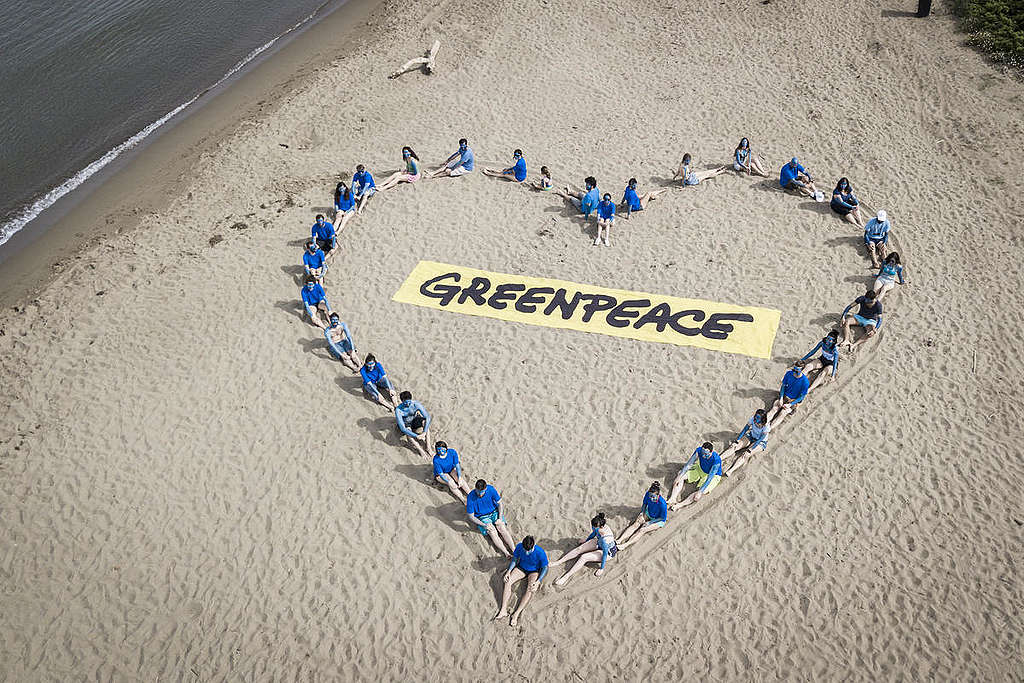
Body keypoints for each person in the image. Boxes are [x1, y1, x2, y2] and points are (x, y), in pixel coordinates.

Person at [493, 535, 549, 627]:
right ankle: (503, 610)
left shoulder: (540, 552)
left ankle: (516, 614)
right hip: (521, 568)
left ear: (533, 546)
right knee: (508, 581)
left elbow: (545, 567)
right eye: (525, 550)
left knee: (530, 589)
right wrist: (509, 571)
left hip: (534, 571)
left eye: (529, 550)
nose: (527, 553)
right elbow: (515, 559)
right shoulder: (519, 546)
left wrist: (539, 580)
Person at [551, 513, 618, 586]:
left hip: (608, 552)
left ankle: (566, 577)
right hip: (599, 542)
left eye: (594, 527)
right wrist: (586, 541)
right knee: (580, 548)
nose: (592, 528)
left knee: (584, 557)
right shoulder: (598, 527)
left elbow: (604, 554)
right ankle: (559, 562)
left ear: (601, 527)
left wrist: (601, 568)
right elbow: (593, 534)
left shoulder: (606, 539)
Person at [466, 479, 516, 557]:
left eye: (481, 492)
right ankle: (506, 553)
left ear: (485, 489)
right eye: (477, 492)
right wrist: (483, 525)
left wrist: (499, 518)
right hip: (482, 517)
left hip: (494, 512)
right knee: (492, 532)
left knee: (502, 528)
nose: (479, 494)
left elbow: (500, 504)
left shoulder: (491, 489)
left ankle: (513, 550)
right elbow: (471, 516)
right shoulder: (470, 497)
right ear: (475, 488)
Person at [667, 442, 723, 510]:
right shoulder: (699, 451)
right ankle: (672, 498)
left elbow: (709, 478)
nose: (703, 456)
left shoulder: (716, 460)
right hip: (700, 468)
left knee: (700, 493)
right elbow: (689, 464)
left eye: (706, 454)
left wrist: (700, 492)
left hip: (713, 475)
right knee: (680, 475)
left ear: (711, 452)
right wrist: (679, 477)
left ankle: (679, 505)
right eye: (702, 453)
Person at [616, 482, 668, 550]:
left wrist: (650, 522)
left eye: (653, 497)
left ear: (658, 495)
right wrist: (641, 513)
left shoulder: (663, 504)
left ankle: (625, 545)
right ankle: (619, 540)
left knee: (642, 530)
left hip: (658, 519)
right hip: (649, 513)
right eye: (650, 496)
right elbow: (644, 504)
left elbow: (662, 518)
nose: (651, 498)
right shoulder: (648, 494)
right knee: (636, 523)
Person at [722, 410, 771, 476]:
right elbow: (745, 429)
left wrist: (750, 449)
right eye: (756, 416)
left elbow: (760, 439)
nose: (756, 419)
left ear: (762, 419)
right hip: (751, 435)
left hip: (760, 442)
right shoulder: (752, 419)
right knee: (735, 447)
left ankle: (731, 470)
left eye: (758, 418)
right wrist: (737, 441)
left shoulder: (766, 426)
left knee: (745, 455)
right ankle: (720, 458)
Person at [765, 360, 811, 427]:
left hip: (793, 401)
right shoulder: (789, 374)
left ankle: (768, 429)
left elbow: (801, 397)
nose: (794, 372)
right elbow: (783, 386)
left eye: (796, 371)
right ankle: (763, 424)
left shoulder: (805, 382)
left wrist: (790, 404)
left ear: (802, 370)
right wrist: (781, 398)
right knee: (774, 408)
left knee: (782, 413)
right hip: (784, 396)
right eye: (793, 370)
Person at [801, 329, 841, 394]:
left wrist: (833, 376)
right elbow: (813, 351)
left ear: (833, 342)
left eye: (830, 340)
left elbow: (835, 363)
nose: (828, 341)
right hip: (822, 359)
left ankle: (809, 390)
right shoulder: (822, 343)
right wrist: (803, 359)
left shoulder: (835, 350)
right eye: (828, 338)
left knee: (822, 374)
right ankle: (798, 380)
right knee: (808, 366)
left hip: (830, 364)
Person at [394, 390, 432, 457]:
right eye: (405, 403)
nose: (408, 404)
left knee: (425, 423)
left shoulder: (415, 404)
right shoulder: (398, 410)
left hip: (415, 419)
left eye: (409, 402)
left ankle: (428, 448)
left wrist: (424, 432)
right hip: (406, 423)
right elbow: (403, 428)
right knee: (408, 433)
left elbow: (427, 417)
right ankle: (420, 450)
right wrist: (416, 436)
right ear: (402, 401)